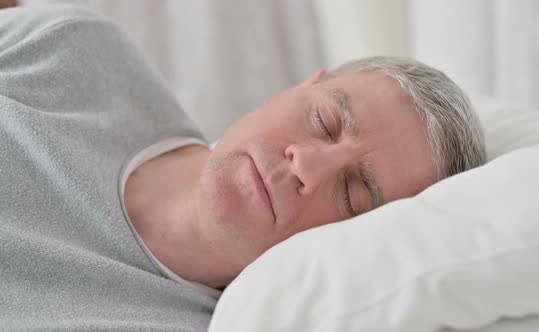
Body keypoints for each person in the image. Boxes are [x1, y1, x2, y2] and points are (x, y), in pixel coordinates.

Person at [0, 5, 486, 332]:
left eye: (354, 196)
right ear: (295, 88)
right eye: (324, 121)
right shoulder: (73, 51)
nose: (308, 167)